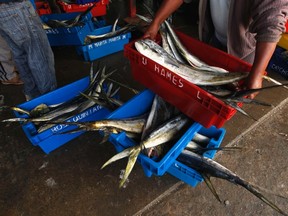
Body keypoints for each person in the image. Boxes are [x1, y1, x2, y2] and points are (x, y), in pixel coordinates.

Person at [143, 0, 288, 99]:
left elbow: (271, 24)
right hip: (213, 39)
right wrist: (156, 23)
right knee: (207, 89)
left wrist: (256, 74)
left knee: (234, 93)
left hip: (243, 51)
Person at [0, 0, 57, 101]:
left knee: (21, 55)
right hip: (15, 7)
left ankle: (33, 97)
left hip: (4, 11)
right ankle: (49, 98)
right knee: (39, 54)